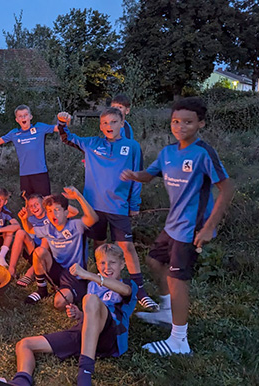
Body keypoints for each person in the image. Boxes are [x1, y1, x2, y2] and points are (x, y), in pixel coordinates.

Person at [121, 97, 234, 355]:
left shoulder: (203, 153)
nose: (180, 126)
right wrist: (133, 175)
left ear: (200, 124)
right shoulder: (168, 152)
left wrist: (208, 228)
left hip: (191, 230)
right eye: (175, 121)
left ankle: (179, 341)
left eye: (188, 122)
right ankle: (166, 312)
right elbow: (149, 175)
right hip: (172, 225)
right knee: (154, 261)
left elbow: (227, 188)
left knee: (177, 279)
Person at [0, 244, 138, 386]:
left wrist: (90, 275)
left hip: (110, 338)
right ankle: (21, 381)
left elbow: (125, 292)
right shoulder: (93, 287)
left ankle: (84, 375)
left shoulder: (128, 285)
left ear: (123, 265)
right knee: (24, 344)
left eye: (112, 263)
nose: (107, 267)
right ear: (97, 264)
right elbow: (90, 320)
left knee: (91, 299)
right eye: (102, 263)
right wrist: (79, 315)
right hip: (84, 335)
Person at [58, 107, 158, 311]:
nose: (109, 126)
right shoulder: (92, 143)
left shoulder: (132, 147)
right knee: (99, 247)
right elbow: (68, 138)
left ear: (123, 124)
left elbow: (137, 176)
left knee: (127, 248)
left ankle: (140, 291)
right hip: (94, 208)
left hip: (118, 206)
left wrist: (134, 204)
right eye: (104, 123)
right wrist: (61, 123)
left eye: (113, 122)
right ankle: (103, 286)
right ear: (100, 126)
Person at [24, 187, 98, 308]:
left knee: (59, 303)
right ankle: (42, 290)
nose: (53, 214)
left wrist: (79, 196)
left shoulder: (76, 226)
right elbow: (29, 229)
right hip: (57, 271)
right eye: (49, 211)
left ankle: (69, 290)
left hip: (75, 274)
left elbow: (93, 218)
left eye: (57, 210)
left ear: (66, 212)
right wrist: (24, 219)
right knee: (38, 252)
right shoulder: (48, 228)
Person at [0, 105, 70, 196]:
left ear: (30, 117)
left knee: (45, 202)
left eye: (25, 115)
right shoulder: (14, 133)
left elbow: (61, 128)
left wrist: (64, 120)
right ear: (17, 120)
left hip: (40, 173)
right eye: (20, 116)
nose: (23, 117)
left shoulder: (40, 127)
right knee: (28, 203)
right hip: (25, 175)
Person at [8, 194, 78, 285]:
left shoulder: (52, 214)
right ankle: (11, 270)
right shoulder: (31, 218)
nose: (34, 207)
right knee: (20, 233)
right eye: (31, 206)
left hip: (51, 253)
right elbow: (28, 230)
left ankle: (30, 273)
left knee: (46, 237)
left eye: (36, 204)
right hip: (35, 251)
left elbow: (75, 212)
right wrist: (24, 220)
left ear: (43, 204)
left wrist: (52, 199)